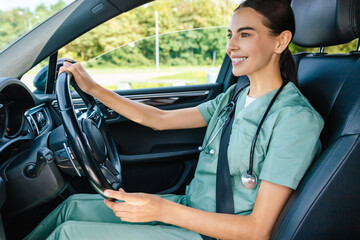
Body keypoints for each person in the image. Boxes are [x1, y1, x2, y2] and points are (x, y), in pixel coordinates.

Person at [25, 0, 324, 239]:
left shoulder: (294, 120)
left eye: (245, 34)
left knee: (69, 234)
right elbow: (159, 119)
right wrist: (92, 88)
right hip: (190, 211)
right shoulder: (234, 97)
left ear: (280, 41)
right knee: (70, 208)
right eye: (230, 34)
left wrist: (160, 210)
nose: (230, 46)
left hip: (216, 233)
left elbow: (258, 231)